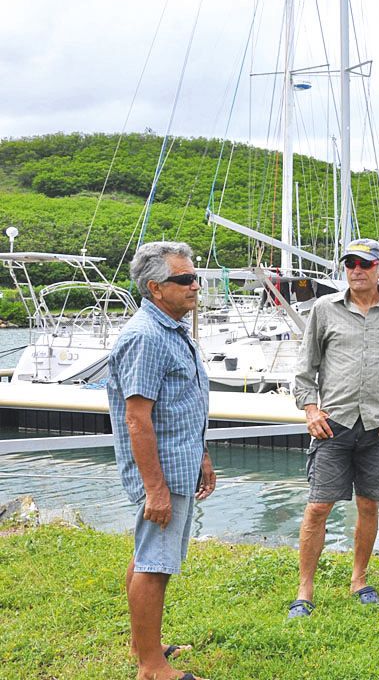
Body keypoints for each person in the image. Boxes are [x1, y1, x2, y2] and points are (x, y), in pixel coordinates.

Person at [289, 238, 379, 617]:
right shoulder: (324, 309)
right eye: (350, 263)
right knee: (318, 506)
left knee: (369, 505)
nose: (357, 270)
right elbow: (305, 366)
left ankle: (359, 580)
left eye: (365, 264)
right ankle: (304, 590)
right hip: (333, 425)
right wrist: (310, 409)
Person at [107, 241, 215, 680]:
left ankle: (143, 645)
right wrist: (155, 489)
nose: (195, 285)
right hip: (163, 473)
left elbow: (183, 404)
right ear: (155, 287)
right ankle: (151, 667)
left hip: (180, 462)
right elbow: (137, 419)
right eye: (184, 279)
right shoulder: (147, 337)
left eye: (195, 277)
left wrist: (202, 455)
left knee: (149, 554)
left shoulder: (173, 330)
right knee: (155, 563)